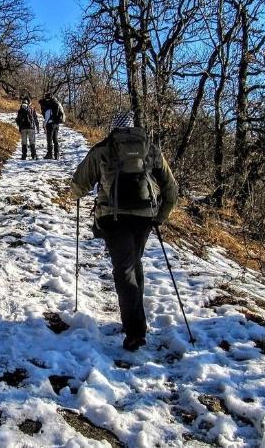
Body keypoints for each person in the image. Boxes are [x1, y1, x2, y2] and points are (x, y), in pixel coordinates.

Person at [70, 111, 178, 351]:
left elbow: (78, 184)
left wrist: (77, 194)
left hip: (114, 217)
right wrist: (160, 217)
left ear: (113, 128)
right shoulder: (150, 148)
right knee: (133, 262)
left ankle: (135, 331)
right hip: (144, 217)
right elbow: (171, 189)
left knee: (124, 269)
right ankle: (137, 320)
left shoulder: (104, 148)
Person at [39, 92, 65, 159]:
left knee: (49, 140)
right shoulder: (56, 103)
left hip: (50, 124)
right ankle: (57, 155)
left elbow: (47, 117)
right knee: (55, 140)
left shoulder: (48, 106)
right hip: (56, 124)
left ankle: (49, 154)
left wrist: (44, 125)